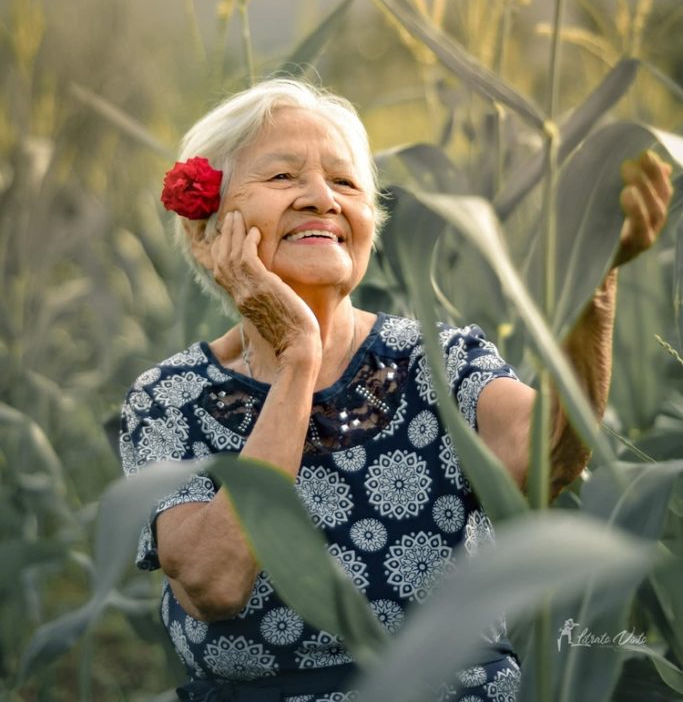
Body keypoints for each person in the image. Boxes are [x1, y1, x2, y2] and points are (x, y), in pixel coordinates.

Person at [119, 78, 672, 702]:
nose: (322, 199)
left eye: (346, 183)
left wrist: (592, 278)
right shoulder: (171, 396)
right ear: (207, 232)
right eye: (281, 178)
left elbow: (551, 457)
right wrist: (299, 359)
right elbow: (212, 584)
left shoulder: (437, 358)